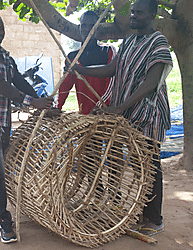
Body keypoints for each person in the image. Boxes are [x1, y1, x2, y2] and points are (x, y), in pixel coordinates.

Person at [72, 0, 173, 236]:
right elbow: (112, 70)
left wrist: (119, 107)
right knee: (139, 166)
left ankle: (155, 219)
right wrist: (82, 71)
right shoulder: (128, 41)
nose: (133, 16)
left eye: (139, 13)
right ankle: (144, 213)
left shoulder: (158, 42)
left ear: (152, 15)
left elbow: (151, 83)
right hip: (129, 113)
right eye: (132, 13)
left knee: (150, 165)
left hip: (148, 114)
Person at [0, 13, 53, 244]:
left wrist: (41, 102)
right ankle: (4, 220)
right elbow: (0, 85)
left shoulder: (6, 56)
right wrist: (31, 103)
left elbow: (18, 81)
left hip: (3, 123)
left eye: (1, 28)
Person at [54, 11, 116, 114]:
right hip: (85, 116)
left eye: (92, 26)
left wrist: (100, 107)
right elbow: (65, 85)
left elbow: (111, 85)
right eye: (84, 25)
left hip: (105, 113)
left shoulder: (108, 51)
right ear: (79, 27)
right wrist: (57, 107)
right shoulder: (72, 57)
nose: (87, 29)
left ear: (98, 28)